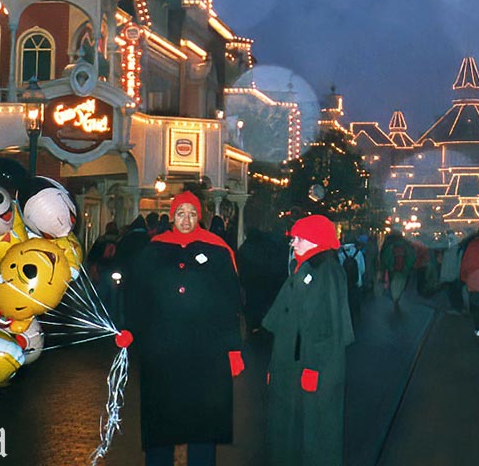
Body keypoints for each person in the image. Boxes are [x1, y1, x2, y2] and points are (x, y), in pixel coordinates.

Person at [126, 192, 242, 466]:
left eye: (192, 213)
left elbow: (230, 301)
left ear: (198, 216)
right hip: (162, 352)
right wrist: (131, 329)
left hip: (205, 353)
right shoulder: (154, 250)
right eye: (181, 213)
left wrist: (233, 348)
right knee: (161, 421)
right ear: (172, 216)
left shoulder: (216, 250)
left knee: (202, 422)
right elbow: (137, 295)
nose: (186, 219)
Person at [262, 214, 354, 466]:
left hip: (313, 369)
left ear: (315, 240)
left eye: (299, 239)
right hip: (296, 367)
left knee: (316, 435)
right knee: (297, 431)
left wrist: (314, 367)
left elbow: (326, 325)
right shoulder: (306, 267)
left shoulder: (325, 271)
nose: (294, 244)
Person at [378, 231, 415, 307]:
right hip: (404, 268)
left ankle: (394, 296)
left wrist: (385, 266)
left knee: (392, 281)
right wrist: (408, 266)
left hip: (392, 267)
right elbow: (412, 255)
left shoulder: (388, 242)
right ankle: (397, 296)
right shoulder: (406, 243)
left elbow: (384, 255)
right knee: (401, 282)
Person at [337, 238, 366, 325]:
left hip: (345, 282)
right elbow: (362, 269)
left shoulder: (341, 253)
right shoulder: (359, 253)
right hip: (356, 281)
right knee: (355, 298)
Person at [438, 228, 464, 312]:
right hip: (454, 275)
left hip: (447, 275)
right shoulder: (458, 249)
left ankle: (453, 307)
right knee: (454, 292)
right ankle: (456, 308)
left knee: (450, 292)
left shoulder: (444, 249)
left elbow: (442, 262)